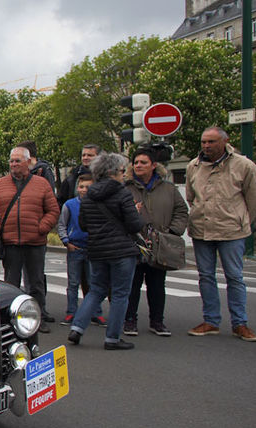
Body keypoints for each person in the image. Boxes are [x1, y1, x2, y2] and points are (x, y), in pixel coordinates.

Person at [185, 127, 256, 341]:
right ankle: (211, 320)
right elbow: (191, 197)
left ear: (224, 141)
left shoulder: (244, 165)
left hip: (231, 231)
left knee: (234, 276)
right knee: (206, 277)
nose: (206, 146)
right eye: (203, 142)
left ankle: (240, 323)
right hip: (202, 230)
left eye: (211, 142)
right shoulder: (194, 166)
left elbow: (255, 198)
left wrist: (241, 219)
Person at [66, 153, 144, 350]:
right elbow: (134, 225)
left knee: (96, 290)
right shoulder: (123, 194)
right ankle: (112, 338)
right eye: (121, 171)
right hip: (121, 251)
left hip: (96, 249)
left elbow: (83, 225)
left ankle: (77, 327)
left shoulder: (89, 195)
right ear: (113, 173)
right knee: (119, 294)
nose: (124, 174)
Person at [0, 147, 59, 333]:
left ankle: (38, 317)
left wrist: (41, 228)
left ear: (27, 162)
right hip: (10, 242)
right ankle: (11, 319)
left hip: (34, 242)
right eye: (11, 161)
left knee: (36, 283)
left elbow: (53, 210)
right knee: (11, 284)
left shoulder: (41, 184)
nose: (13, 164)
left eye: (17, 161)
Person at [123, 147, 189, 337]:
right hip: (134, 243)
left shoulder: (168, 189)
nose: (138, 166)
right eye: (135, 163)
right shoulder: (126, 188)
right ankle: (130, 320)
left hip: (160, 244)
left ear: (153, 165)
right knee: (132, 284)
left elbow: (181, 212)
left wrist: (172, 232)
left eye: (143, 162)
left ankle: (157, 321)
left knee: (157, 284)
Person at [57, 174, 107, 326]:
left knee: (94, 283)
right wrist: (66, 241)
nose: (84, 190)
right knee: (73, 283)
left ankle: (95, 313)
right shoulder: (70, 204)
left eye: (88, 187)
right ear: (77, 188)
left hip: (92, 249)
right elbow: (62, 224)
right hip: (75, 248)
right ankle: (71, 312)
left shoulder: (99, 204)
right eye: (82, 187)